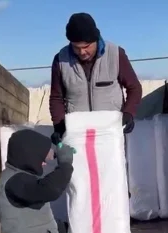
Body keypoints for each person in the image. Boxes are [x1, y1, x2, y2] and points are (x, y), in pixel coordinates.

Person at [49, 12, 142, 142]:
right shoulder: (60, 60)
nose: (81, 52)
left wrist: (128, 113)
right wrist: (59, 126)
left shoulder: (115, 54)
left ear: (96, 39)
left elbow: (134, 88)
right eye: (76, 47)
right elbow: (56, 97)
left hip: (111, 131)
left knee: (113, 162)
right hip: (78, 133)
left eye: (86, 46)